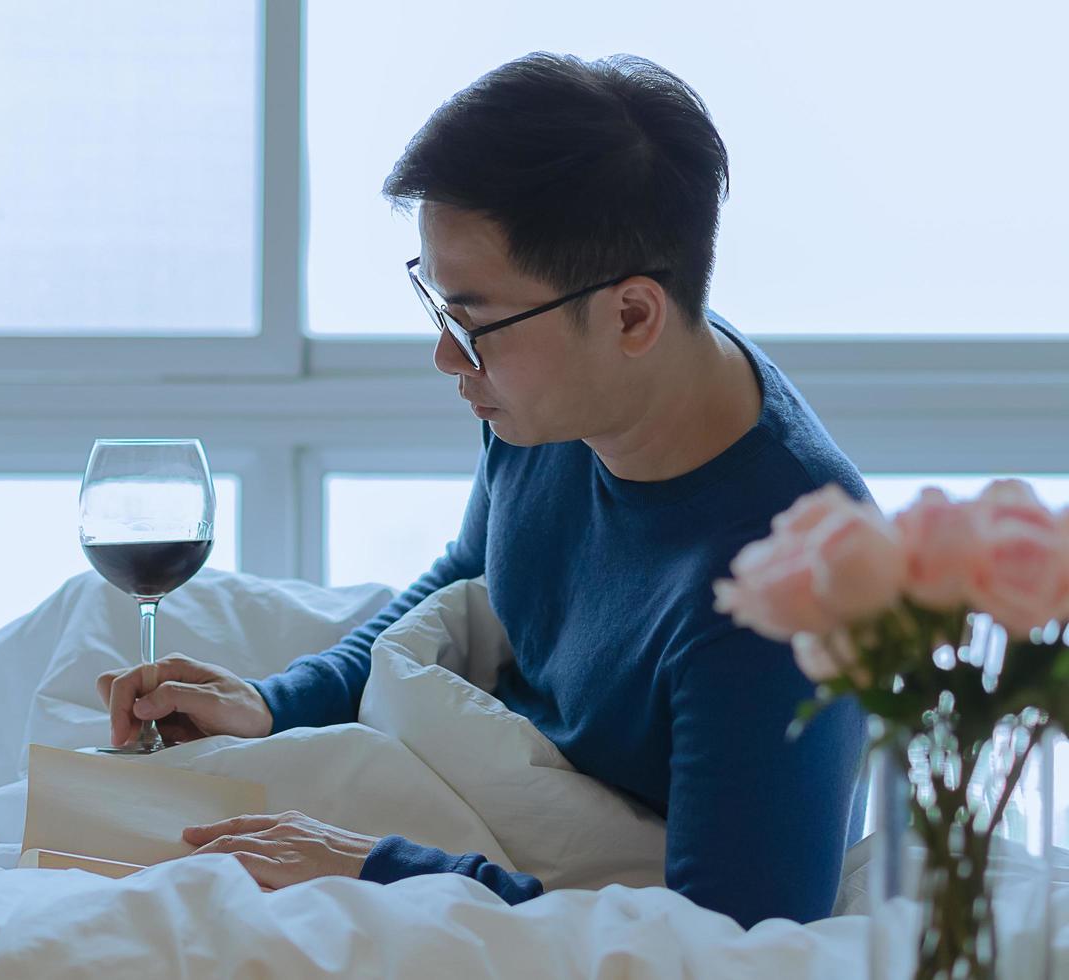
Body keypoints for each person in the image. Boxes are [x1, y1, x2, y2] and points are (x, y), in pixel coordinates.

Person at [95, 52, 867, 930]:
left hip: (552, 867)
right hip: (486, 781)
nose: (445, 358)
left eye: (472, 322)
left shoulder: (786, 595)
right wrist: (276, 702)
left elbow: (727, 936)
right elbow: (479, 567)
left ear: (632, 316)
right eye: (438, 309)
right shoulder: (569, 401)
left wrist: (385, 870)